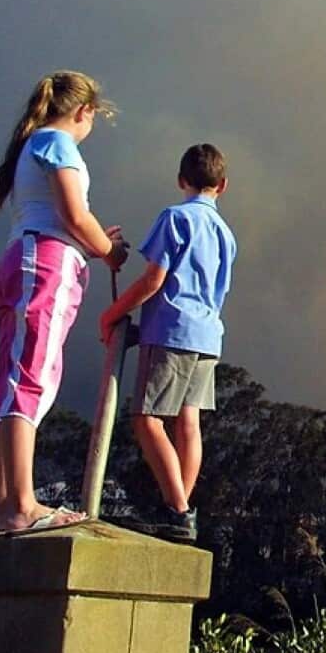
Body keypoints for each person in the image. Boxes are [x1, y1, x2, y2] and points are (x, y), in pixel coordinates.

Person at [0, 70, 129, 532]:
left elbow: (64, 216)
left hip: (21, 258)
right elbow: (73, 214)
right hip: (45, 263)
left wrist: (95, 242)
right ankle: (22, 504)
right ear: (84, 111)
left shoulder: (33, 144)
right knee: (32, 375)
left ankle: (3, 506)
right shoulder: (58, 143)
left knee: (11, 377)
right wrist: (109, 252)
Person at [101, 144, 237, 543]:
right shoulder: (226, 234)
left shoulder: (175, 218)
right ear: (223, 185)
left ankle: (177, 510)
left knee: (147, 419)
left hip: (171, 331)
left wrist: (111, 315)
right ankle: (180, 510)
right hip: (208, 336)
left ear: (181, 180)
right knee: (188, 422)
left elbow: (153, 280)